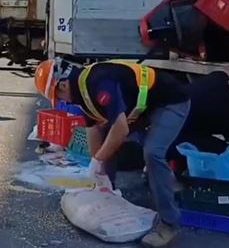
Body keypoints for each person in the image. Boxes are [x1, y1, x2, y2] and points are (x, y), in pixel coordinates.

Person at [35, 59, 189, 247]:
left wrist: (99, 159)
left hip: (171, 101)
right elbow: (94, 129)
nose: (61, 102)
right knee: (108, 144)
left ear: (63, 83)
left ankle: (169, 223)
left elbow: (121, 129)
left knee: (152, 152)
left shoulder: (98, 83)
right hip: (143, 109)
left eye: (58, 97)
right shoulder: (81, 95)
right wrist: (97, 170)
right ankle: (109, 192)